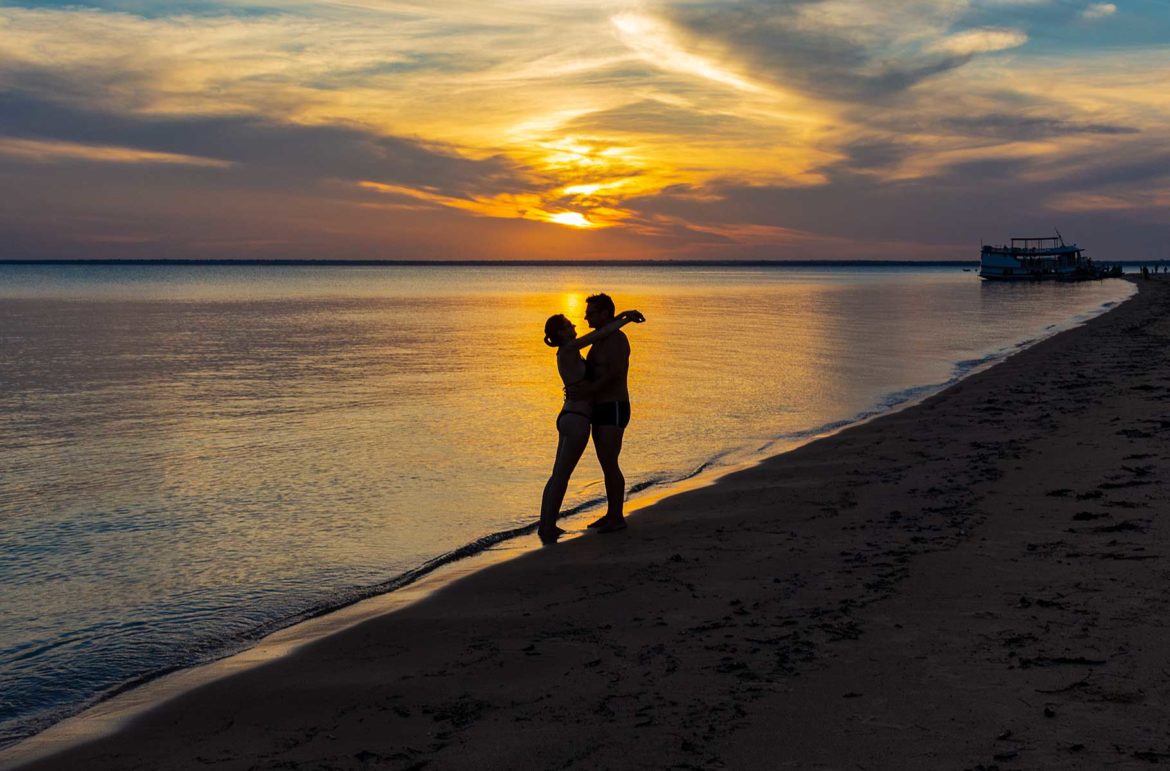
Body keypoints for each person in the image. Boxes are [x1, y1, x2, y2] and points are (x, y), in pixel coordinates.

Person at [539, 306, 645, 542]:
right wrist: (625, 319)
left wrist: (619, 317)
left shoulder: (568, 351)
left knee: (558, 474)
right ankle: (547, 527)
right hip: (577, 419)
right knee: (561, 475)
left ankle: (546, 524)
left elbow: (600, 334)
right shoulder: (568, 349)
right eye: (569, 325)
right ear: (563, 333)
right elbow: (596, 336)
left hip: (570, 416)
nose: (576, 325)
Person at [566, 293, 636, 534]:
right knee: (605, 462)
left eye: (592, 312)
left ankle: (617, 517)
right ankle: (611, 513)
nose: (586, 316)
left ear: (606, 313)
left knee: (610, 462)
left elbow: (615, 373)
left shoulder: (617, 339)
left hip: (614, 406)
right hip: (600, 407)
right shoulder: (599, 340)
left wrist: (588, 391)